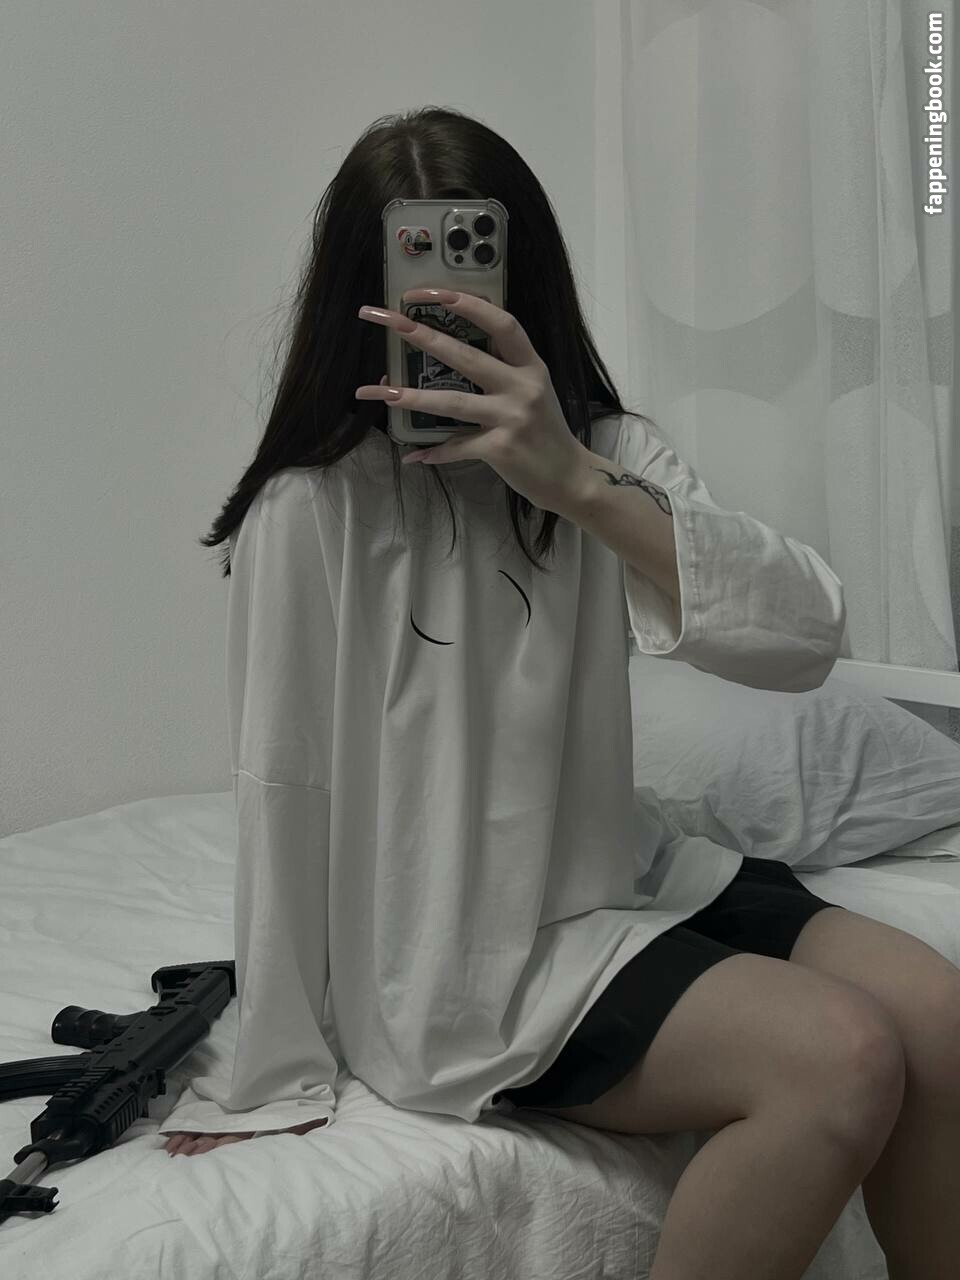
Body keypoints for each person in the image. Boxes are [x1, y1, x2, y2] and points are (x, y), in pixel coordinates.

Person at [160, 107, 915, 1280]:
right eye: (411, 285)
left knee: (943, 1021)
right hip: (474, 956)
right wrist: (273, 1063)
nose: (442, 321)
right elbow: (283, 783)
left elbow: (805, 636)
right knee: (841, 1057)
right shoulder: (314, 507)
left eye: (470, 277)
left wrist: (576, 481)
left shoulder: (607, 453)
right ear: (361, 297)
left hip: (633, 868)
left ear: (525, 283)